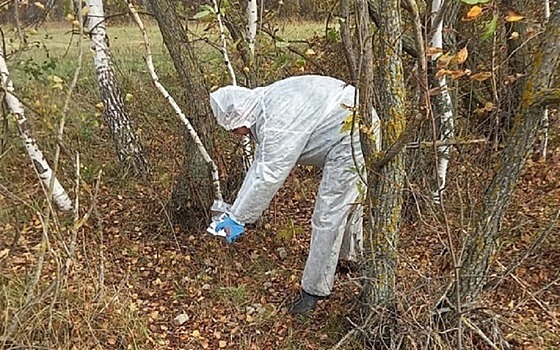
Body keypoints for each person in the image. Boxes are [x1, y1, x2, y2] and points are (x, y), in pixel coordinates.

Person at [209, 75, 380, 314]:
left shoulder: (276, 118)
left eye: (233, 128)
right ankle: (349, 259)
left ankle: (313, 293)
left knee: (330, 212)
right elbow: (260, 166)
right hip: (353, 122)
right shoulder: (264, 106)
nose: (236, 134)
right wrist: (236, 212)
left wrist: (238, 219)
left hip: (353, 131)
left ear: (240, 116)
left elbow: (269, 175)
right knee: (347, 203)